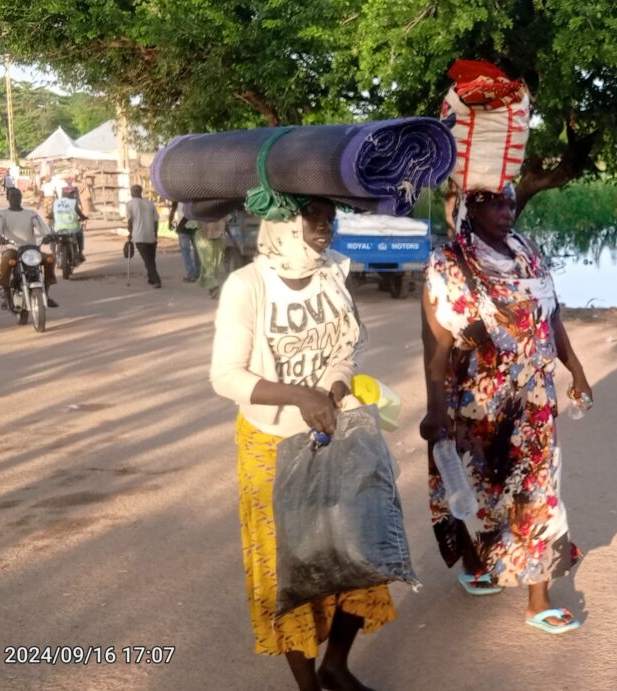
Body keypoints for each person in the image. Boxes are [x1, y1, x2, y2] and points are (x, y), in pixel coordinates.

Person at [210, 197, 390, 691]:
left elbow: (345, 349)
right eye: (313, 214)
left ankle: (336, 666)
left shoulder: (333, 274)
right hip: (271, 446)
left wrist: (334, 386)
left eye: (330, 216)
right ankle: (307, 685)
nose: (325, 226)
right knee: (291, 571)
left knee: (361, 553)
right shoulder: (248, 287)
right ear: (284, 221)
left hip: (332, 433)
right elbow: (225, 376)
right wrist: (298, 395)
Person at [419, 181, 593, 634]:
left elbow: (551, 315)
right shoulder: (449, 262)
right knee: (479, 489)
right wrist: (435, 409)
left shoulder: (528, 252)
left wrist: (575, 369)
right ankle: (478, 565)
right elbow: (436, 343)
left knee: (539, 493)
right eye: (494, 202)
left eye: (510, 201)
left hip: (533, 402)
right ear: (469, 208)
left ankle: (539, 599)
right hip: (477, 404)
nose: (506, 210)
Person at [0, 187, 59, 309]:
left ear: (21, 197)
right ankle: (7, 295)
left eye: (18, 196)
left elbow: (44, 228)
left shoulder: (31, 214)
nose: (16, 198)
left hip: (31, 249)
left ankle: (46, 293)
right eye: (13, 196)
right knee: (7, 260)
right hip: (12, 249)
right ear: (8, 198)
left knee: (50, 259)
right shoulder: (1, 214)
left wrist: (49, 236)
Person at [126, 184, 162, 288]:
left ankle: (156, 280)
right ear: (140, 192)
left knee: (148, 260)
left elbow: (130, 221)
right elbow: (156, 221)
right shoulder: (150, 204)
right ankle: (151, 278)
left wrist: (130, 233)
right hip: (151, 235)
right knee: (151, 259)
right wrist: (155, 233)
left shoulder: (129, 204)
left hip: (139, 235)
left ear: (132, 192)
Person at [195, 215, 230, 298]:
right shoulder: (199, 206)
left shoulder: (220, 205)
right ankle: (213, 287)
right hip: (204, 237)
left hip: (216, 238)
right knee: (208, 264)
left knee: (214, 265)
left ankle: (211, 285)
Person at [50, 186, 88, 263]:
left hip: (58, 228)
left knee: (52, 235)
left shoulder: (56, 203)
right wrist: (84, 218)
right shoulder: (73, 203)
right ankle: (80, 252)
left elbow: (51, 215)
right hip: (73, 228)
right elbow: (80, 214)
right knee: (80, 233)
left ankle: (53, 252)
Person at [176, 209, 202, 283]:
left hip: (184, 227)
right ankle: (197, 273)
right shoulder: (195, 199)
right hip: (194, 227)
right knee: (197, 251)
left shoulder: (180, 199)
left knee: (186, 252)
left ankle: (192, 274)